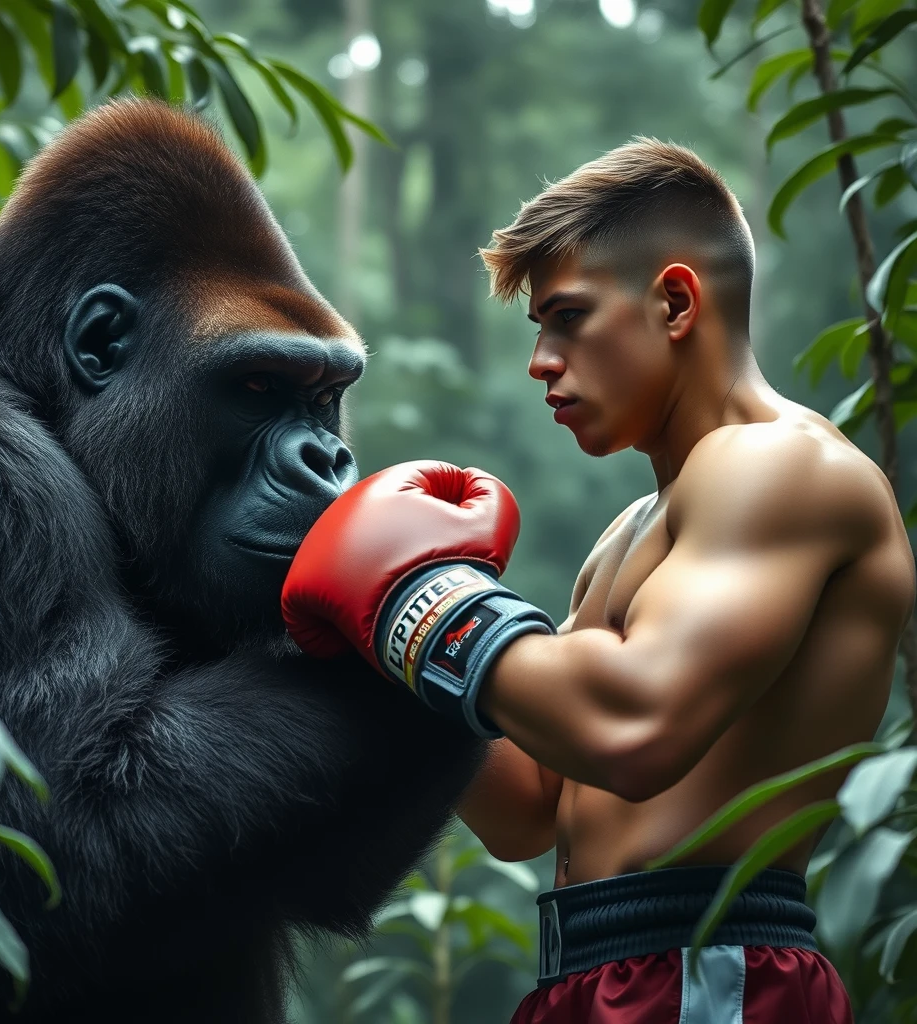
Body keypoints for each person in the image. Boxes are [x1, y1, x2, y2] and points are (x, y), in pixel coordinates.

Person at [282, 137, 915, 1023]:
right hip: (591, 974)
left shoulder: (782, 465)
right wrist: (360, 631)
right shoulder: (632, 531)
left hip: (708, 974)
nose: (542, 358)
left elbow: (632, 724)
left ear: (675, 301)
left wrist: (412, 599)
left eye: (568, 317)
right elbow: (528, 811)